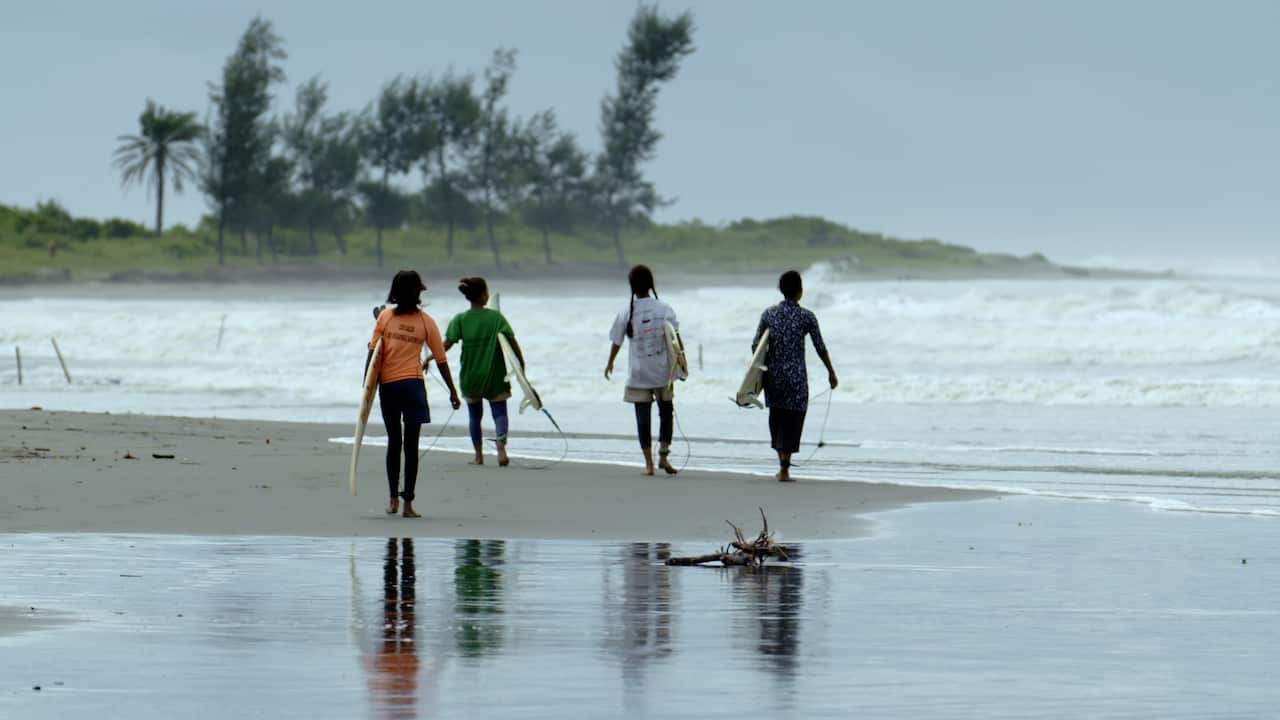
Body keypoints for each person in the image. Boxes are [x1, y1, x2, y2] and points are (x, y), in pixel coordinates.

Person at [368, 270, 461, 517]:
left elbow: (373, 354)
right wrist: (452, 390)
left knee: (394, 443)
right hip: (413, 387)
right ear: (418, 291)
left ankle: (393, 501)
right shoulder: (425, 321)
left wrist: (367, 388)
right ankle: (408, 504)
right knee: (411, 446)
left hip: (388, 387)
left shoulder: (384, 317)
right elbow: (441, 360)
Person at [752, 270, 838, 482]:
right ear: (800, 291)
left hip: (773, 376)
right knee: (794, 419)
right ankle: (784, 468)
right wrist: (831, 372)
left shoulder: (768, 314)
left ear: (781, 290)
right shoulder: (806, 316)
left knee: (778, 417)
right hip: (797, 377)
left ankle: (782, 464)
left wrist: (759, 372)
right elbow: (820, 347)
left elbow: (756, 345)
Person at [605, 265, 682, 476]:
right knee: (666, 412)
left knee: (642, 418)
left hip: (638, 374)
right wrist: (682, 360)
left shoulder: (625, 311)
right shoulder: (664, 308)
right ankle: (663, 456)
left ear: (631, 286)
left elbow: (617, 341)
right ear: (651, 284)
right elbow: (674, 338)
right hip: (663, 371)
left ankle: (649, 464)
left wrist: (610, 362)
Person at [444, 277, 525, 467]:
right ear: (483, 295)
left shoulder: (460, 319)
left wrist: (429, 358)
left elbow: (446, 345)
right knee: (499, 413)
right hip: (494, 375)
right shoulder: (496, 318)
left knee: (474, 416)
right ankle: (501, 449)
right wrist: (521, 364)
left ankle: (478, 456)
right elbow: (513, 343)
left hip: (471, 377)